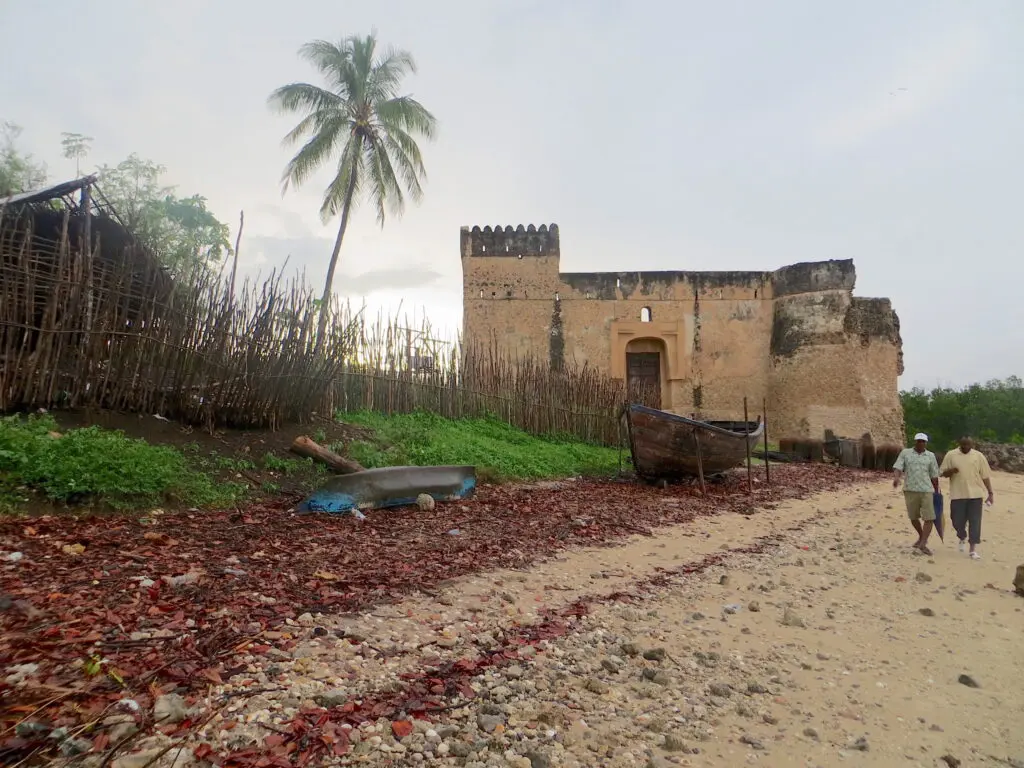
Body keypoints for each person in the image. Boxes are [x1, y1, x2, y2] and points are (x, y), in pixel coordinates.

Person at [939, 436, 994, 559]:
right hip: (957, 494)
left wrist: (990, 493)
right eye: (963, 444)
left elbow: (985, 476)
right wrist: (951, 471)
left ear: (972, 444)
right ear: (959, 444)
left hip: (976, 495)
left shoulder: (978, 456)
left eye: (968, 445)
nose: (966, 447)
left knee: (975, 522)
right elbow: (942, 473)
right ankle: (962, 536)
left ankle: (972, 550)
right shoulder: (951, 455)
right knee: (956, 521)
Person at [892, 432, 940, 555]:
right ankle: (921, 536)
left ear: (926, 443)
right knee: (913, 517)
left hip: (926, 490)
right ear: (915, 441)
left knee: (929, 517)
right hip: (910, 489)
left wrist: (937, 490)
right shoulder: (905, 453)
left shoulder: (930, 456)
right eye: (919, 441)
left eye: (923, 441)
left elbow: (934, 474)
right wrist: (896, 478)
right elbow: (898, 467)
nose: (921, 443)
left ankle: (923, 543)